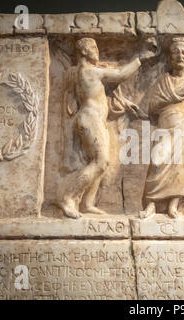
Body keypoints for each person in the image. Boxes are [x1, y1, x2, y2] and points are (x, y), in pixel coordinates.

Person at [59, 37, 154, 219]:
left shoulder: (85, 72)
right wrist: (140, 58)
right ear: (84, 51)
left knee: (101, 161)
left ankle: (87, 203)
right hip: (90, 119)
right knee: (101, 161)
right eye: (94, 47)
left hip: (94, 119)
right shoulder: (89, 71)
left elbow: (99, 95)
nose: (97, 51)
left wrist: (124, 102)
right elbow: (120, 74)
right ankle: (68, 198)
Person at [141, 38, 184, 219]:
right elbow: (152, 106)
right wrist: (170, 100)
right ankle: (151, 204)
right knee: (157, 162)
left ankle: (173, 205)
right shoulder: (163, 82)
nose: (180, 56)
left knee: (181, 167)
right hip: (165, 127)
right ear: (170, 58)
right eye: (176, 53)